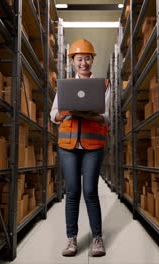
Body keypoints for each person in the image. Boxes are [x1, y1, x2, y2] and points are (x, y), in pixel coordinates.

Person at [50, 38, 110, 257]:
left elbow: (107, 117)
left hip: (93, 145)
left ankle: (97, 239)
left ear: (92, 60)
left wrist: (90, 113)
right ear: (73, 62)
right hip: (68, 145)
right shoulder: (65, 86)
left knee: (90, 192)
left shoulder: (103, 85)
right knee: (72, 192)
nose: (83, 63)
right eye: (79, 59)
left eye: (87, 58)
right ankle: (71, 239)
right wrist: (66, 111)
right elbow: (53, 115)